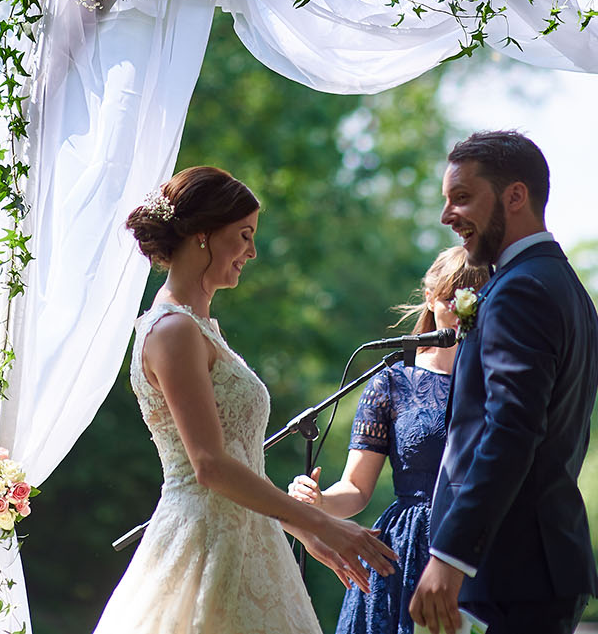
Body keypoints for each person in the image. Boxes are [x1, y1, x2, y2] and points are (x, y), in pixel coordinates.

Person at [92, 166, 397, 634]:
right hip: (205, 546)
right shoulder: (172, 331)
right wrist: (327, 525)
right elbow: (210, 466)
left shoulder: (202, 329)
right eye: (244, 235)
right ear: (202, 235)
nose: (252, 252)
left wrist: (301, 529)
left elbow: (242, 466)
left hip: (251, 543)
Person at [409, 131, 598, 634]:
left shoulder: (522, 291)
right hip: (533, 566)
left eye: (463, 198)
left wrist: (451, 555)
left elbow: (511, 430)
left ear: (515, 196)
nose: (447, 216)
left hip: (515, 570)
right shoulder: (561, 285)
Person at [287, 246, 490, 634]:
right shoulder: (392, 381)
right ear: (430, 298)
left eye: (479, 296)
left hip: (479, 541)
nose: (468, 308)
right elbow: (356, 488)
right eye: (456, 297)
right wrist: (320, 502)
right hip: (407, 550)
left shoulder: (501, 379)